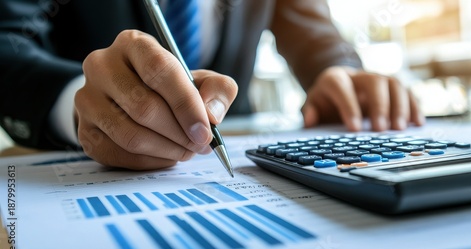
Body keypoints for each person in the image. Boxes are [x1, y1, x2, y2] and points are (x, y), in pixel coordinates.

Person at [0, 0, 424, 170]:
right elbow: (6, 39)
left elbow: (313, 33)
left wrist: (337, 71)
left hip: (234, 142)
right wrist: (79, 102)